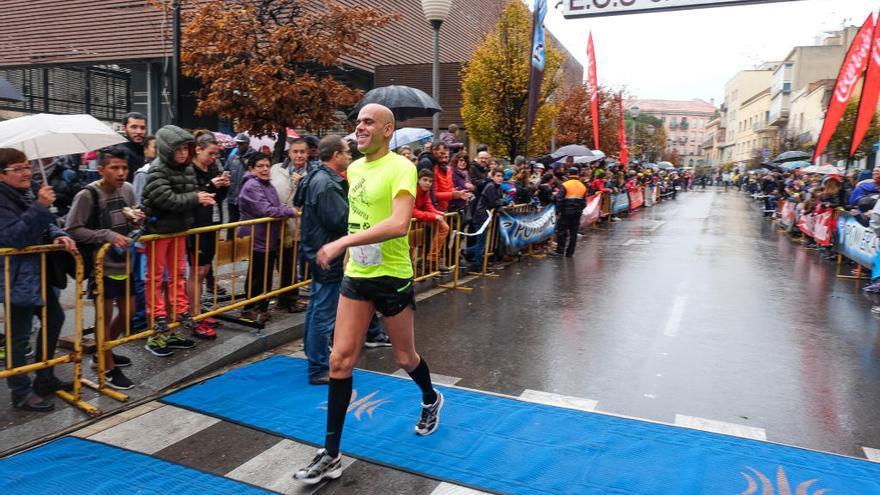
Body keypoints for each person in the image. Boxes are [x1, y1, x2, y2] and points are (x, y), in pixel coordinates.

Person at [294, 104, 442, 484]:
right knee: (340, 361)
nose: (359, 128)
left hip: (391, 274)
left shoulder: (402, 168)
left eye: (367, 122)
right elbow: (355, 213)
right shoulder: (354, 168)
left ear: (387, 129)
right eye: (357, 122)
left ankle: (430, 397)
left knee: (405, 356)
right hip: (357, 273)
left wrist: (342, 241)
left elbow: (397, 224)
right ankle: (331, 454)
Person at [0, 148, 76, 411]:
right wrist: (41, 206)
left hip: (38, 271)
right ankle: (20, 392)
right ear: (2, 175)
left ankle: (44, 376)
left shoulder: (28, 190)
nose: (25, 172)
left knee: (55, 318)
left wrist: (57, 233)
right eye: (17, 168)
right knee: (18, 336)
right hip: (14, 277)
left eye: (26, 166)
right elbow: (14, 237)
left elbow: (47, 223)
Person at [66, 146, 141, 390]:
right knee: (104, 317)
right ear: (101, 170)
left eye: (124, 168)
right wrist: (106, 234)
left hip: (125, 262)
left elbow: (130, 222)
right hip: (101, 267)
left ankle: (103, 350)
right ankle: (107, 368)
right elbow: (73, 229)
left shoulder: (128, 190)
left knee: (129, 311)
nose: (121, 173)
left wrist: (135, 220)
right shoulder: (88, 195)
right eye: (115, 168)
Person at [141, 125, 215, 357]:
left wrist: (198, 198)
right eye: (178, 149)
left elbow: (187, 196)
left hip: (179, 230)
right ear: (167, 149)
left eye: (186, 148)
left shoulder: (187, 170)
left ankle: (180, 310)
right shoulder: (157, 170)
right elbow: (165, 198)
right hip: (159, 230)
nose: (183, 153)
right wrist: (195, 198)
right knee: (155, 276)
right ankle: (157, 315)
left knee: (178, 273)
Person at [295, 135, 352, 384]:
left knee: (317, 306)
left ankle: (314, 357)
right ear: (336, 155)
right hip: (326, 253)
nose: (350, 157)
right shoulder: (326, 183)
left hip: (318, 250)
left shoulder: (318, 177)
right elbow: (340, 220)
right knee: (324, 311)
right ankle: (318, 366)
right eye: (347, 152)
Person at [238, 153, 297, 323]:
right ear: (251, 169)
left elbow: (274, 206)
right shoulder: (251, 185)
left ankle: (261, 307)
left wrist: (283, 209)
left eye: (267, 166)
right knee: (257, 275)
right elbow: (266, 210)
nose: (265, 169)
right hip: (256, 239)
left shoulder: (266, 184)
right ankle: (250, 308)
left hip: (268, 238)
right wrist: (288, 212)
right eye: (260, 166)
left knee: (265, 274)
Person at [186, 133, 229, 338]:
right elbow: (193, 197)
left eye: (216, 154)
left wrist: (223, 186)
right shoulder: (189, 170)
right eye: (210, 153)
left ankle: (198, 309)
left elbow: (216, 198)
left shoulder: (211, 168)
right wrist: (211, 185)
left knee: (204, 270)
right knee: (197, 270)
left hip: (212, 222)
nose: (214, 158)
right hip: (197, 226)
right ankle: (193, 315)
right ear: (198, 149)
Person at [270, 137, 309, 313]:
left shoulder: (313, 173)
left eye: (303, 152)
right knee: (275, 262)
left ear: (308, 154)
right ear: (289, 153)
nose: (299, 155)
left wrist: (302, 185)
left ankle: (290, 298)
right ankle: (280, 297)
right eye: (296, 151)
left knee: (290, 262)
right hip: (274, 223)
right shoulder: (276, 169)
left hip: (297, 226)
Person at [464, 169, 505, 271]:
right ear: (493, 177)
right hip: (481, 216)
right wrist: (502, 202)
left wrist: (500, 204)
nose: (500, 178)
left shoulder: (498, 187)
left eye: (501, 176)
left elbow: (498, 201)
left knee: (481, 242)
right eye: (498, 176)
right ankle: (479, 265)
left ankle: (467, 251)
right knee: (481, 242)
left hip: (486, 216)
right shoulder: (490, 186)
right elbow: (494, 202)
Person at [414, 168, 451, 273]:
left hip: (418, 219)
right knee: (411, 245)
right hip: (407, 221)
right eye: (425, 180)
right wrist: (433, 216)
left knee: (444, 227)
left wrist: (437, 213)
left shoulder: (426, 192)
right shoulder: (413, 190)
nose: (428, 183)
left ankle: (432, 259)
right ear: (418, 180)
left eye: (430, 181)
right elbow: (412, 210)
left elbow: (428, 205)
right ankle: (412, 270)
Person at [550, 167, 588, 258]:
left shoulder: (565, 184)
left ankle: (560, 251)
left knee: (562, 232)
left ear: (569, 174)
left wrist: (558, 211)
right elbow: (584, 201)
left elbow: (560, 199)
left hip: (566, 212)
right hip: (577, 213)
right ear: (577, 174)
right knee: (573, 233)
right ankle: (570, 252)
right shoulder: (582, 186)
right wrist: (580, 209)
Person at [226, 133, 254, 227]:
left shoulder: (254, 157)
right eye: (237, 143)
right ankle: (230, 241)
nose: (239, 146)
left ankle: (244, 241)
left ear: (247, 143)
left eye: (241, 143)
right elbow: (226, 170)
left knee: (245, 224)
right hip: (232, 197)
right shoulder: (232, 157)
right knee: (231, 223)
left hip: (246, 198)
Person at [118, 112, 148, 183]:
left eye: (142, 128)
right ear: (124, 129)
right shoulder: (121, 152)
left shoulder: (147, 149)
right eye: (134, 127)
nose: (139, 131)